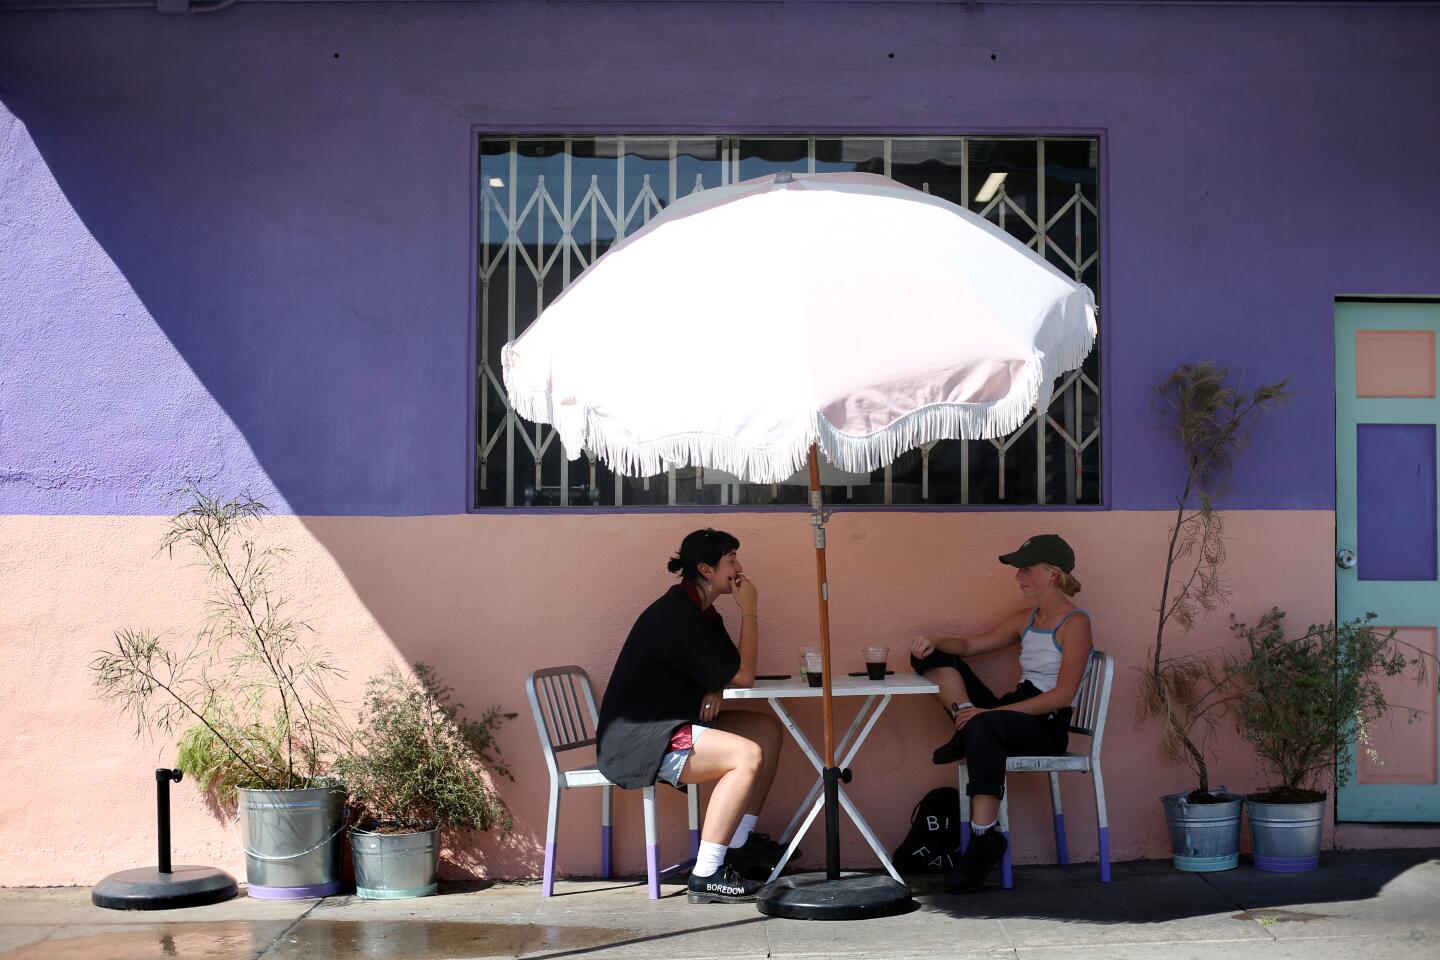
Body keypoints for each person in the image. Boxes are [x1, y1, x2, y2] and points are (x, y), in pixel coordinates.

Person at [596, 528, 788, 904]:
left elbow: (727, 669)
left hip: (672, 721)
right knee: (746, 756)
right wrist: (750, 610)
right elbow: (745, 675)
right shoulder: (677, 617)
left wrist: (713, 686)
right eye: (731, 560)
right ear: (705, 568)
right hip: (641, 739)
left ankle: (737, 844)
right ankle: (708, 872)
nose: (739, 568)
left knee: (766, 730)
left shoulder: (701, 610)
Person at [909, 534, 1093, 893]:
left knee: (986, 724)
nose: (1018, 577)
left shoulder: (1075, 623)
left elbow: (1062, 695)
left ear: (1052, 573)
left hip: (1046, 724)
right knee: (927, 657)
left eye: (1025, 569)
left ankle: (983, 840)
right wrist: (931, 640)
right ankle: (967, 720)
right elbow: (969, 646)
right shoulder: (1028, 619)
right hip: (1014, 712)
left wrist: (990, 713)